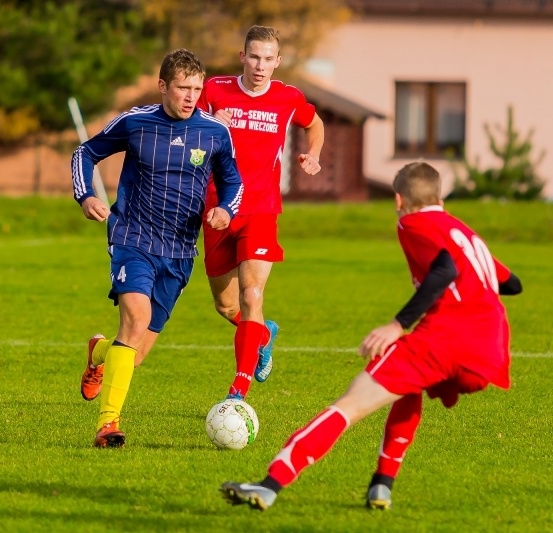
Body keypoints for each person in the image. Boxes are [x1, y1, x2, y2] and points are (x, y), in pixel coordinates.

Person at [219, 161, 523, 510]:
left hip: (444, 339)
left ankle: (269, 485)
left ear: (398, 199)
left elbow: (445, 269)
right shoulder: (466, 233)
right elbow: (512, 283)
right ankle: (382, 485)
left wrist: (397, 324)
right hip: (490, 351)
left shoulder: (412, 221)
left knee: (349, 405)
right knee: (407, 387)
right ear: (439, 195)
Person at [72, 48, 244, 448]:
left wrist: (225, 210)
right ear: (163, 85)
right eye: (183, 88)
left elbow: (234, 182)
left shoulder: (214, 133)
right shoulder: (136, 123)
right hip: (132, 237)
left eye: (197, 89)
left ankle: (98, 353)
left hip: (180, 251)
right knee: (135, 317)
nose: (191, 97)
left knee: (131, 356)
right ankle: (108, 425)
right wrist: (85, 197)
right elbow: (86, 152)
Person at [191, 25, 325, 401]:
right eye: (254, 57)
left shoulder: (289, 97)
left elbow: (315, 123)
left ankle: (239, 391)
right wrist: (213, 125)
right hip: (217, 210)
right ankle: (263, 334)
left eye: (268, 59)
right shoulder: (215, 90)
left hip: (262, 210)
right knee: (227, 305)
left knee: (252, 295)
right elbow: (186, 129)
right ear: (242, 57)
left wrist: (312, 154)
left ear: (278, 62)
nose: (260, 66)